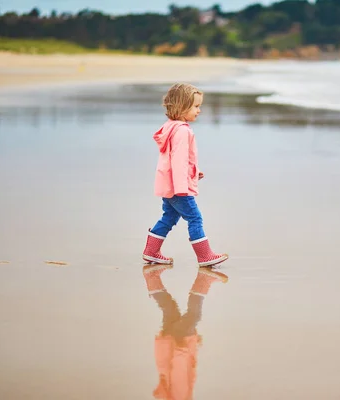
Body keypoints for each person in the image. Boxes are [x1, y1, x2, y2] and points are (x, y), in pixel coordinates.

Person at [143, 83, 228, 268]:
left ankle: (151, 251)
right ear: (182, 106)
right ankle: (205, 256)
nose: (199, 110)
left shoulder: (171, 127)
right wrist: (182, 189)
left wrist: (194, 172)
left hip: (169, 184)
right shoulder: (182, 131)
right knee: (195, 218)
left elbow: (176, 160)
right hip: (178, 188)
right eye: (196, 106)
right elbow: (179, 162)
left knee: (169, 217)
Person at [142, 263, 228, 400]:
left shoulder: (180, 396)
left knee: (193, 315)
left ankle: (203, 281)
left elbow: (179, 372)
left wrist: (182, 349)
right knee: (170, 310)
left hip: (178, 343)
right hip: (170, 342)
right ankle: (152, 283)